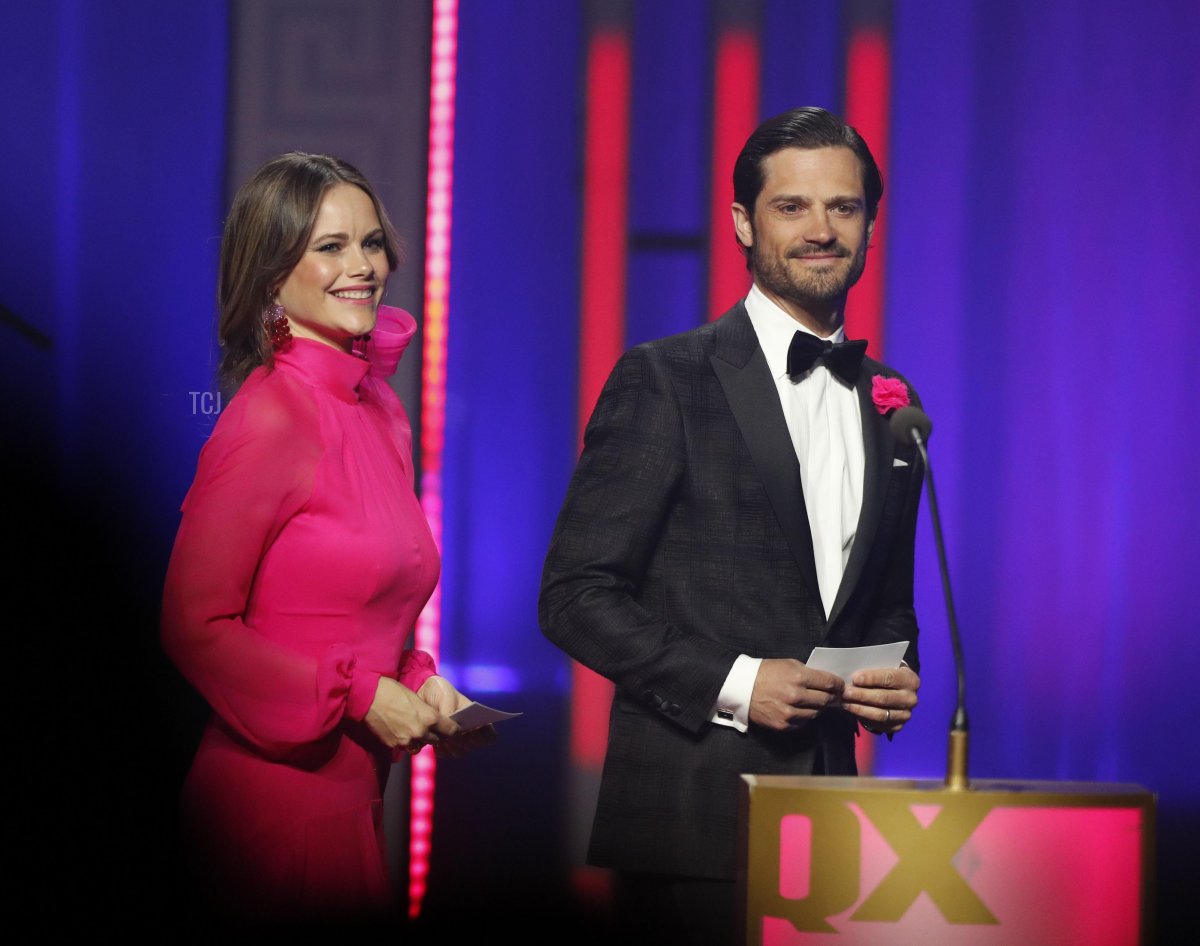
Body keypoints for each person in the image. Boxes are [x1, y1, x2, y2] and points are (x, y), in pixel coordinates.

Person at [539, 108, 923, 944]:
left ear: (869, 223)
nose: (821, 230)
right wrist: (740, 682)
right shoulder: (666, 378)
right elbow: (574, 595)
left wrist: (896, 675)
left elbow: (886, 599)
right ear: (745, 223)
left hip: (832, 819)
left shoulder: (892, 401)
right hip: (690, 816)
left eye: (844, 207)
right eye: (792, 207)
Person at [162, 152, 488, 926]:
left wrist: (415, 678)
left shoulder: (379, 410)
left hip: (353, 799)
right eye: (331, 247)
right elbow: (192, 625)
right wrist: (359, 695)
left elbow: (364, 602)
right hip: (271, 810)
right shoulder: (271, 415)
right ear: (274, 275)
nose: (363, 266)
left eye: (371, 243)